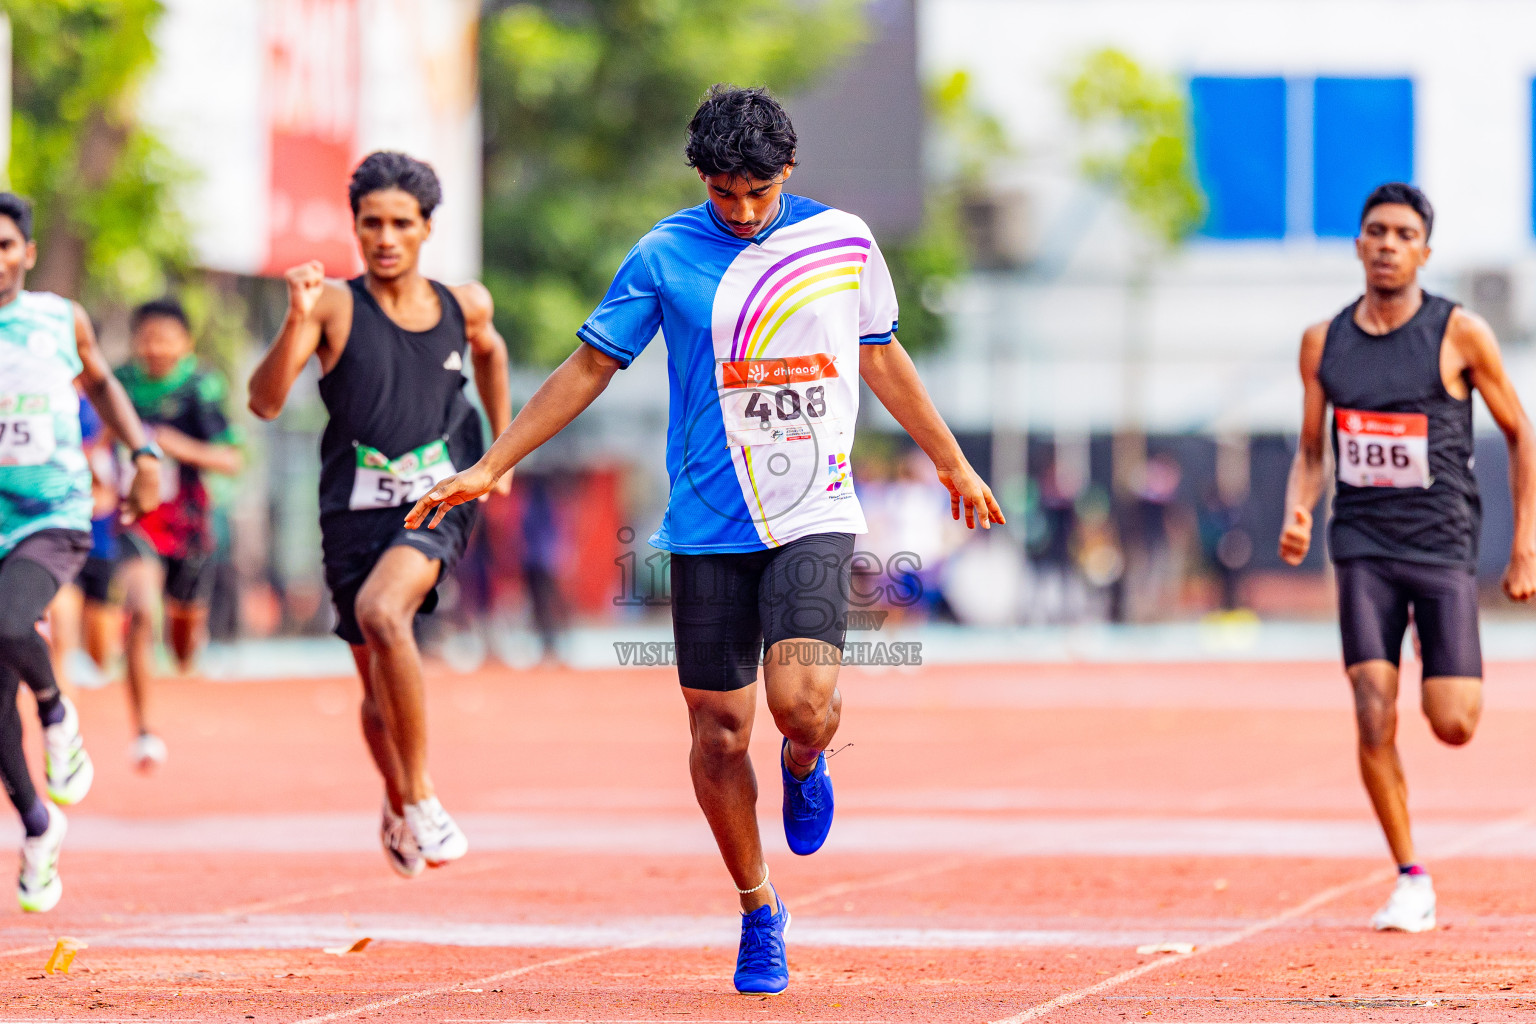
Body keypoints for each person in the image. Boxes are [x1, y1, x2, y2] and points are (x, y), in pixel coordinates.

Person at [406, 86, 1003, 994]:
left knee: (800, 707)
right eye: (724, 191)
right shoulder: (664, 252)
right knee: (720, 732)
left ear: (787, 172)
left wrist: (952, 462)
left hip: (814, 513)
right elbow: (590, 365)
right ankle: (760, 910)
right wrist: (492, 464)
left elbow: (880, 353)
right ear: (703, 179)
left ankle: (806, 762)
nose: (742, 209)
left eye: (757, 191)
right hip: (707, 527)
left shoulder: (842, 243)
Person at [1279, 182, 1536, 933]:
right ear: (1358, 244)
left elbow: (1521, 432)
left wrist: (1525, 544)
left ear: (1424, 250)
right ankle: (1410, 876)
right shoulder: (1322, 342)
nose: (1388, 244)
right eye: (1376, 231)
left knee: (1453, 721)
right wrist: (1300, 508)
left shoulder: (1460, 332)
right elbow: (1308, 450)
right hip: (1361, 544)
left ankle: (1434, 643)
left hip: (1442, 544)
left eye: (1403, 233)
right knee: (1370, 708)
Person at [248, 152, 511, 877]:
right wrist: (295, 319)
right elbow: (265, 402)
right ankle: (397, 802)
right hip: (352, 513)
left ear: (428, 227)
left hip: (440, 496)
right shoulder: (333, 304)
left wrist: (503, 447)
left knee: (384, 612)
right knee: (374, 685)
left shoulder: (467, 305)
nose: (386, 237)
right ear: (355, 228)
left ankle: (423, 797)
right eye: (372, 224)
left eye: (401, 223)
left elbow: (491, 354)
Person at [0, 192, 161, 911]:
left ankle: (58, 711)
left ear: (27, 253)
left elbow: (104, 383)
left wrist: (144, 453)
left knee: (8, 626)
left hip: (51, 516)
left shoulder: (60, 319)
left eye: (4, 244)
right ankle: (38, 825)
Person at [108, 297, 243, 769]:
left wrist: (174, 445)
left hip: (187, 526)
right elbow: (97, 439)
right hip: (136, 517)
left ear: (185, 342)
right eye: (147, 337)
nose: (156, 347)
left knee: (183, 650)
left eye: (167, 337)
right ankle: (144, 731)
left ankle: (190, 639)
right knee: (141, 611)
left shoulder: (200, 388)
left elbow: (231, 458)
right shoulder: (119, 384)